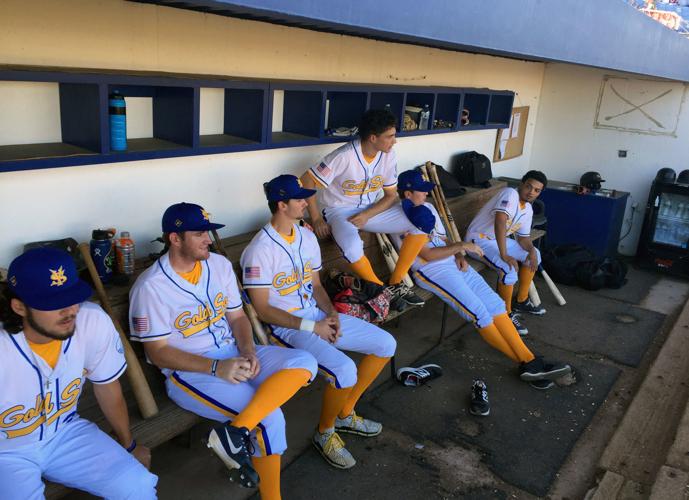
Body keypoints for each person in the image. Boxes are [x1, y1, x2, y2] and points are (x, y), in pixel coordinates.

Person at [129, 202, 317, 500]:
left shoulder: (217, 264)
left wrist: (248, 350)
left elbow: (238, 316)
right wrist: (217, 368)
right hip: (191, 373)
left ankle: (233, 432)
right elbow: (158, 353)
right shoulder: (150, 286)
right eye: (199, 233)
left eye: (208, 232)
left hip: (234, 352)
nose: (207, 239)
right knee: (270, 420)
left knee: (305, 361)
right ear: (174, 238)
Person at [241, 175, 397, 470]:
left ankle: (346, 412)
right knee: (344, 370)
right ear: (281, 204)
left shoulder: (306, 236)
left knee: (385, 343)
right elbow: (261, 310)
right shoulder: (259, 249)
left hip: (317, 316)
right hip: (285, 328)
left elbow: (315, 285)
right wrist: (314, 327)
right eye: (299, 198)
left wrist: (331, 314)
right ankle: (325, 433)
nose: (305, 202)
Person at [0, 248, 158, 499]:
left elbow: (106, 385)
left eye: (72, 296)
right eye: (53, 303)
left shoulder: (91, 321)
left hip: (65, 433)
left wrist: (128, 445)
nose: (69, 310)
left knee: (137, 485)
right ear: (19, 306)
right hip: (6, 452)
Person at [391, 170, 571, 389]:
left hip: (453, 262)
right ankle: (527, 363)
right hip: (432, 271)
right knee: (480, 313)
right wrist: (461, 247)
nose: (426, 196)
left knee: (495, 304)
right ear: (408, 193)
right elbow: (427, 255)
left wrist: (458, 254)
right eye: (421, 192)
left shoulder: (427, 208)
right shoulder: (397, 218)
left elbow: (442, 237)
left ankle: (530, 361)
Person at [300, 108, 427, 309]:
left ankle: (395, 282)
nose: (394, 141)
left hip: (371, 210)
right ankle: (381, 290)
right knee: (351, 246)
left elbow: (390, 196)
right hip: (339, 211)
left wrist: (367, 214)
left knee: (422, 219)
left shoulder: (388, 155)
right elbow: (306, 180)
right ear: (373, 137)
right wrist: (315, 218)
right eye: (390, 136)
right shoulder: (344, 156)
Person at [465, 170, 549, 335]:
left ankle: (522, 300)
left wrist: (531, 249)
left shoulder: (528, 210)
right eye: (528, 186)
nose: (531, 192)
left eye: (537, 190)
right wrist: (504, 254)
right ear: (521, 184)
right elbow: (500, 220)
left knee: (535, 255)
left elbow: (523, 238)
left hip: (497, 241)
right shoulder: (510, 193)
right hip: (478, 239)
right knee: (508, 268)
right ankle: (506, 314)